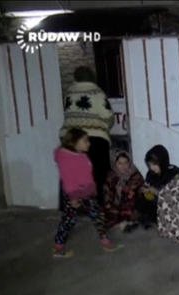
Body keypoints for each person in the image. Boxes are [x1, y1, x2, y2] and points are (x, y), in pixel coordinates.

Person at [53, 128, 121, 258]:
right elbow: (68, 180)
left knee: (98, 215)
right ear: (74, 142)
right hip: (75, 194)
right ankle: (58, 247)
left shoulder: (80, 155)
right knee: (69, 220)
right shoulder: (67, 158)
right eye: (85, 141)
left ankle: (104, 240)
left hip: (87, 192)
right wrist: (73, 198)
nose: (88, 143)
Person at [59, 66, 114, 205]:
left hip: (70, 139)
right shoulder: (96, 92)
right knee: (98, 175)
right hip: (94, 139)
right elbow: (107, 115)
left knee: (71, 174)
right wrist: (106, 126)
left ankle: (70, 208)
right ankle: (97, 207)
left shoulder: (69, 92)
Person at [133, 145, 179, 230]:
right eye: (149, 165)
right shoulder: (151, 173)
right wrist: (143, 189)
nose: (151, 168)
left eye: (154, 164)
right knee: (142, 198)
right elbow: (146, 186)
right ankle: (146, 218)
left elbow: (173, 196)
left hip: (169, 205)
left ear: (162, 161)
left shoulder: (173, 172)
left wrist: (156, 191)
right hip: (154, 202)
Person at [103, 150, 144, 231]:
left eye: (126, 163)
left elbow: (139, 190)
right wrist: (108, 203)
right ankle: (124, 222)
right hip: (116, 204)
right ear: (115, 164)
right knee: (106, 214)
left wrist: (126, 190)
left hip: (131, 203)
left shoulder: (135, 174)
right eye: (120, 163)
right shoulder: (111, 175)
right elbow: (106, 192)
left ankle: (126, 221)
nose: (123, 166)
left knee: (129, 197)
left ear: (129, 162)